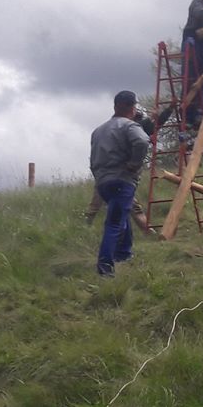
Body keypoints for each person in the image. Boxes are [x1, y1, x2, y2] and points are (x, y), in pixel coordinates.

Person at [89, 90, 151, 276]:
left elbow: (92, 159)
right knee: (114, 223)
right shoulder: (129, 126)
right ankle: (105, 267)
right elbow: (142, 142)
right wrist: (134, 163)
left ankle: (123, 254)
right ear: (131, 108)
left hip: (103, 183)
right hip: (121, 180)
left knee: (121, 214)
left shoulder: (98, 131)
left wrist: (99, 176)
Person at [85, 114, 156, 234]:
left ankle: (148, 231)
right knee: (101, 205)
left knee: (98, 205)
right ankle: (148, 231)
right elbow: (143, 134)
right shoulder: (129, 129)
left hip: (107, 176)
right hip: (119, 175)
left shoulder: (119, 130)